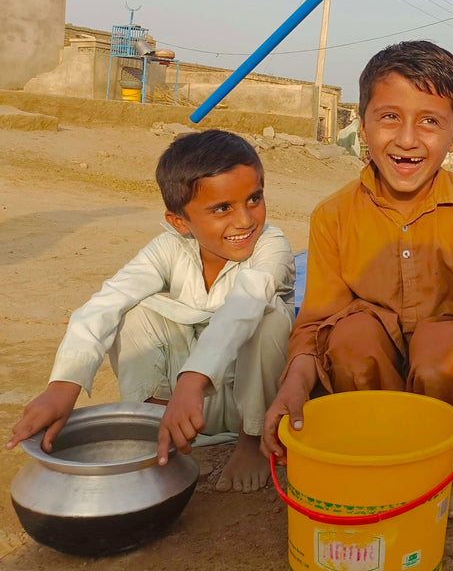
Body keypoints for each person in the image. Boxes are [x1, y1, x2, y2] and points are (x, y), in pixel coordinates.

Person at [262, 40, 453, 519]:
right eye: (389, 117)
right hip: (373, 365)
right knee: (349, 338)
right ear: (362, 125)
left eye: (430, 121)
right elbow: (315, 320)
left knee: (439, 350)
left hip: (445, 363)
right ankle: (379, 447)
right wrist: (295, 381)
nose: (407, 139)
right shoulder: (333, 215)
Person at [5, 129, 295, 493]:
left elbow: (243, 307)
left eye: (254, 199)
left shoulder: (272, 245)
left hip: (245, 402)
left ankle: (251, 445)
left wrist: (192, 381)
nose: (245, 220)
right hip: (185, 406)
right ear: (179, 222)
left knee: (267, 318)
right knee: (131, 313)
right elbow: (105, 303)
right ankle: (161, 429)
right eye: (222, 208)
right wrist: (63, 386)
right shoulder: (167, 249)